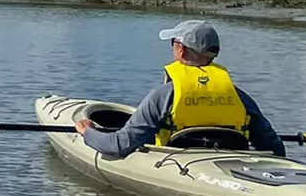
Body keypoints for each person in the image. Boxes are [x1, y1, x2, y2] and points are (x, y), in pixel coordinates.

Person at [73, 19, 286, 158]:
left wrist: (88, 132)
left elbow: (118, 146)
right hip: (230, 164)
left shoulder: (163, 96)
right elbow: (276, 150)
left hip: (179, 166)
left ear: (181, 50)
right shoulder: (240, 97)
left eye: (173, 43)